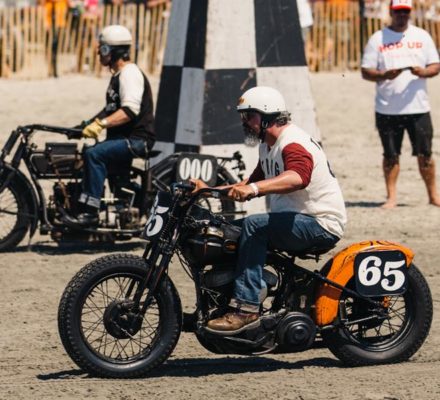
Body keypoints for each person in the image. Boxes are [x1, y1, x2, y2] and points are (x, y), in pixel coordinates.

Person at [191, 86, 347, 334]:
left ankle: (246, 308)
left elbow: (298, 177)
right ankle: (217, 302)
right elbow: (247, 184)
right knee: (224, 231)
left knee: (254, 226)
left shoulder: (292, 143)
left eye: (249, 116)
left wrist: (253, 189)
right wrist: (207, 190)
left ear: (267, 116)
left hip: (319, 223)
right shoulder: (268, 147)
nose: (244, 122)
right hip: (292, 221)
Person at [64, 24, 155, 226]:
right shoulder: (118, 75)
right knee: (117, 181)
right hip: (122, 138)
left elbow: (129, 111)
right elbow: (110, 110)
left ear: (111, 51)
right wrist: (83, 127)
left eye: (102, 48)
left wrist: (100, 125)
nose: (98, 52)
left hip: (137, 140)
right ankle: (138, 205)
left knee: (94, 154)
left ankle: (90, 212)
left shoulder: (130, 74)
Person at [361, 0, 440, 208]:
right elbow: (365, 71)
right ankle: (392, 197)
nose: (402, 15)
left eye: (405, 12)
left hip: (418, 107)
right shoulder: (377, 38)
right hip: (387, 107)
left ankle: (433, 195)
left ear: (410, 12)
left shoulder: (422, 36)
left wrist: (424, 72)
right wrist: (384, 75)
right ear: (390, 12)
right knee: (390, 155)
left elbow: (435, 65)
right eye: (398, 12)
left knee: (425, 154)